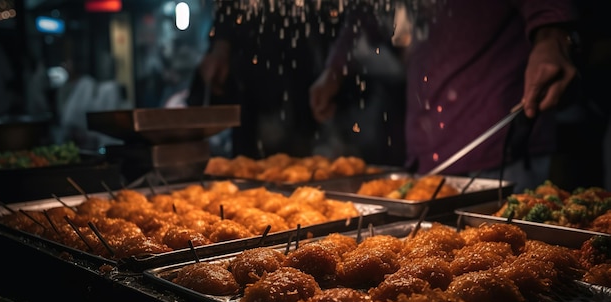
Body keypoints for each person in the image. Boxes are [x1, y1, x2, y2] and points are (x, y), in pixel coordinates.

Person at [310, 1, 580, 193]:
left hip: (499, 149)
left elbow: (547, 11)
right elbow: (367, 13)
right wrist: (335, 68)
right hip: (426, 150)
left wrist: (551, 37)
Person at [187, 1, 336, 159]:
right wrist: (220, 47)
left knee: (307, 151)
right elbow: (228, 9)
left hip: (301, 63)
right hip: (251, 66)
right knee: (248, 158)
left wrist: (335, 70)